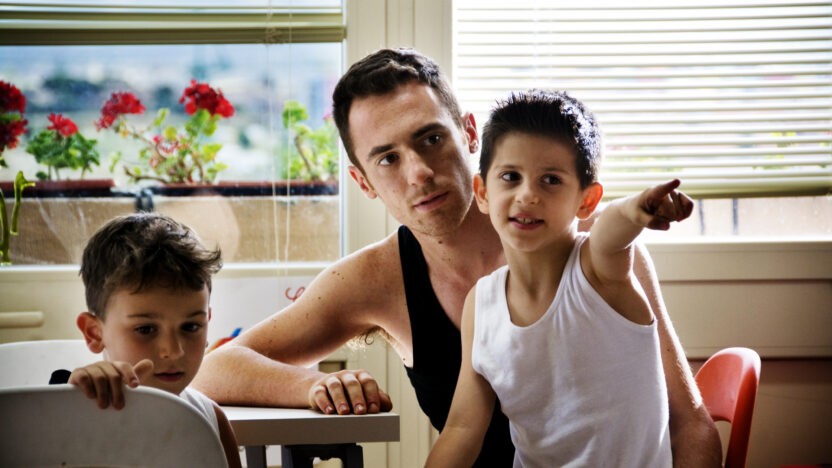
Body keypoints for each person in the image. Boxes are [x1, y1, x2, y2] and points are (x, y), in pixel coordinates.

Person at [192, 48, 721, 467]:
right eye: (387, 158)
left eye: (430, 139)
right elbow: (214, 368)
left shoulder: (594, 248)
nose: (419, 172)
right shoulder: (375, 278)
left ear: (468, 133)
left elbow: (690, 424)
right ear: (363, 181)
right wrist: (316, 385)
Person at [425, 90, 690, 467]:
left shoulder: (598, 270)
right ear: (482, 192)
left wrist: (637, 209)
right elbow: (462, 429)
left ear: (587, 200)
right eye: (510, 177)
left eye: (550, 180)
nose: (527, 195)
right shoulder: (481, 305)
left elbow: (612, 229)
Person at [52, 213, 241, 468]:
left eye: (191, 326)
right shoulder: (66, 412)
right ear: (94, 333)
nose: (173, 351)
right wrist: (72, 405)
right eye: (145, 329)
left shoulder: (211, 420)